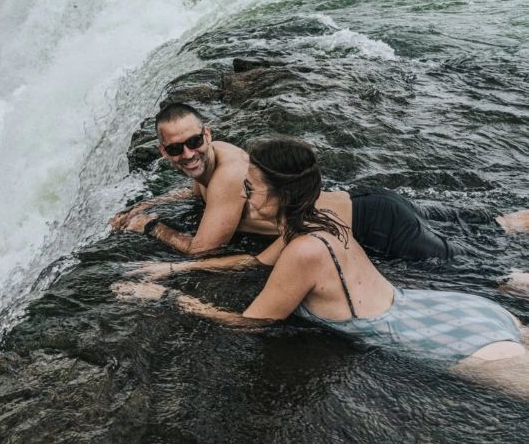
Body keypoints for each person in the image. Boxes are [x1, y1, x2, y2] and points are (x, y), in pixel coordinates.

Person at [114, 137, 529, 399]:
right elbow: (255, 261)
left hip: (442, 340)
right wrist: (171, 270)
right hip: (458, 310)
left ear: (277, 194)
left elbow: (248, 323)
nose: (244, 193)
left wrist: (167, 298)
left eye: (251, 187)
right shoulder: (320, 219)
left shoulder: (303, 250)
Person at [110, 102, 529, 262]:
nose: (187, 155)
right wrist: (154, 202)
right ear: (163, 152)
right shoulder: (210, 161)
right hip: (373, 203)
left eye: (193, 143)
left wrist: (150, 227)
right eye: (175, 150)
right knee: (496, 225)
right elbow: (198, 190)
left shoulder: (231, 173)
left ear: (208, 134)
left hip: (373, 225)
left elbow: (203, 250)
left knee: (484, 268)